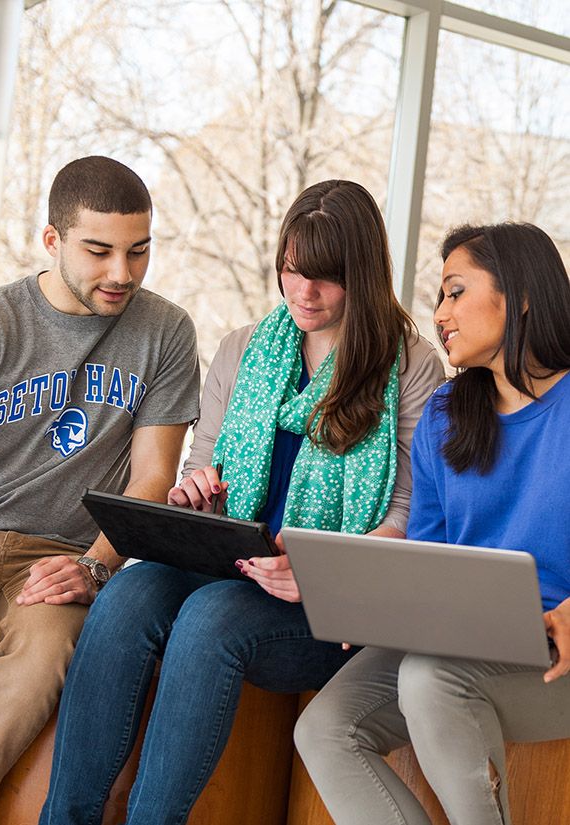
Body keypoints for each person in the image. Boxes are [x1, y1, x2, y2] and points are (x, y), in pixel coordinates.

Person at [39, 179, 444, 825]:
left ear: (362, 274)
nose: (302, 293)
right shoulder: (245, 347)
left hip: (329, 605)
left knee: (209, 618)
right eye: (290, 270)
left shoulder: (412, 367)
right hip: (228, 564)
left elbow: (407, 515)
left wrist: (318, 570)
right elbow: (203, 467)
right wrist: (193, 496)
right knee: (124, 598)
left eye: (324, 278)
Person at [294, 221, 570, 825]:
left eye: (455, 291)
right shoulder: (448, 412)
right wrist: (380, 601)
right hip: (461, 639)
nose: (439, 312)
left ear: (519, 294)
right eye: (440, 296)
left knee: (428, 676)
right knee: (324, 728)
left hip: (557, 654)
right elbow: (431, 554)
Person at [0, 155, 200, 824]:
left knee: (41, 663)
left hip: (64, 555)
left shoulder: (166, 332)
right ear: (52, 241)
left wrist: (93, 567)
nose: (122, 272)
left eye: (139, 251)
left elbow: (153, 476)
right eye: (99, 251)